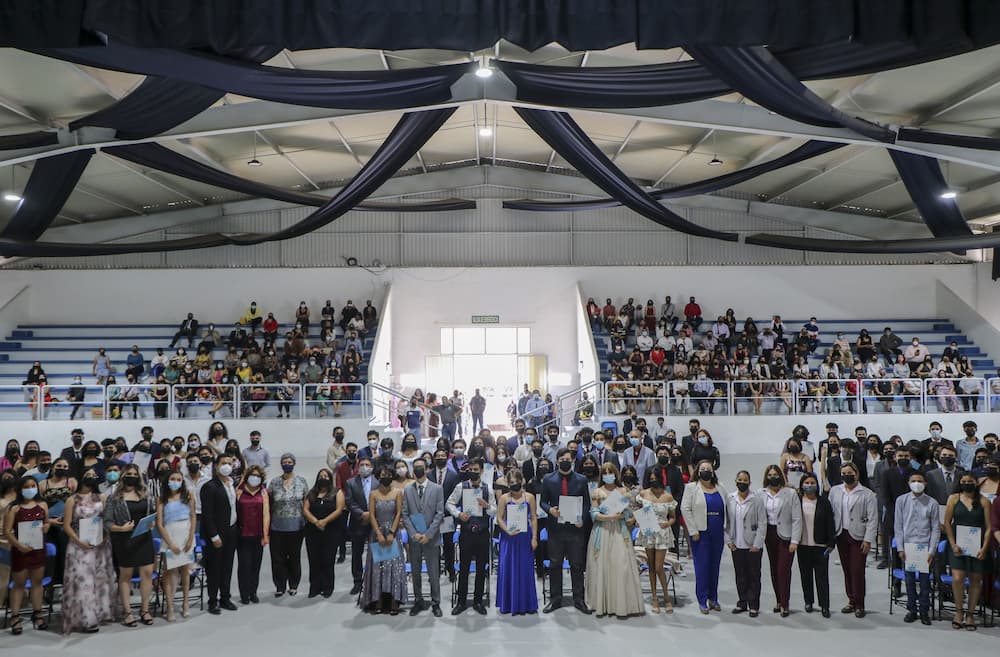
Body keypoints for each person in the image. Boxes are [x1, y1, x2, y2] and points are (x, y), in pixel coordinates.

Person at [586, 463, 644, 618]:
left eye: (610, 472)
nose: (607, 475)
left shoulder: (623, 491)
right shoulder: (597, 492)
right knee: (603, 565)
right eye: (604, 472)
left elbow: (628, 513)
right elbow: (594, 514)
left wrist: (631, 518)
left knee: (621, 564)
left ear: (616, 474)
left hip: (620, 531)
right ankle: (603, 603)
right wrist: (611, 516)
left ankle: (622, 603)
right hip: (602, 532)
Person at [540, 448, 592, 614]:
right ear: (557, 461)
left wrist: (581, 518)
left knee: (577, 564)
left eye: (568, 458)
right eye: (562, 458)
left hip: (575, 529)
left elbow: (586, 503)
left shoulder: (581, 479)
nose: (565, 460)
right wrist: (550, 510)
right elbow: (543, 502)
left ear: (573, 460)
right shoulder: (548, 479)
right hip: (556, 529)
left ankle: (579, 599)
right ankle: (555, 599)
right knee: (555, 564)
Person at [104, 463, 156, 626]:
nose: (132, 476)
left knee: (147, 573)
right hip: (124, 540)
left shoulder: (145, 494)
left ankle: (144, 609)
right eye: (129, 474)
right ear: (123, 476)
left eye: (135, 474)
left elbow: (151, 513)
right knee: (125, 576)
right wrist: (120, 528)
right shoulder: (114, 497)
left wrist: (151, 523)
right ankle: (127, 612)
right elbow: (106, 522)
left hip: (144, 538)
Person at [943, 472, 992, 631]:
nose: (967, 483)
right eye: (964, 481)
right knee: (957, 578)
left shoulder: (984, 501)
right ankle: (959, 612)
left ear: (976, 483)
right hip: (958, 545)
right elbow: (947, 523)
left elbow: (989, 527)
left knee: (975, 579)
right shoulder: (953, 499)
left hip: (977, 547)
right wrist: (952, 544)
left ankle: (970, 614)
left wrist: (984, 548)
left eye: (970, 481)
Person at [446, 459, 495, 615]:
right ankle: (461, 602)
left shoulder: (488, 489)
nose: (473, 471)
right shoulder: (461, 486)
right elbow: (449, 503)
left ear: (481, 471)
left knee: (481, 569)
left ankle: (478, 601)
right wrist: (458, 514)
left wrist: (487, 507)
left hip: (482, 533)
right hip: (466, 533)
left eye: (476, 469)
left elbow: (495, 511)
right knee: (464, 568)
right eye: (471, 469)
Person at [829, 462, 877, 617]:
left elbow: (872, 519)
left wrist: (868, 540)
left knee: (857, 570)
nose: (847, 476)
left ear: (856, 474)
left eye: (850, 473)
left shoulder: (868, 494)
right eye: (843, 473)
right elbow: (831, 513)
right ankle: (851, 600)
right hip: (841, 534)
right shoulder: (835, 491)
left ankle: (860, 604)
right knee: (847, 569)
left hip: (859, 536)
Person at [5, 476, 51, 634]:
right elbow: (7, 531)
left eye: (33, 485)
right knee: (19, 585)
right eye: (26, 486)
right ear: (20, 489)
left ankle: (37, 613)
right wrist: (19, 546)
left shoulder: (43, 504)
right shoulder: (14, 508)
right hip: (21, 551)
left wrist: (46, 527)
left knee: (37, 583)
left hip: (39, 550)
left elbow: (47, 522)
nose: (30, 489)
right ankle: (15, 616)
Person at [681, 459, 728, 614]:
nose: (706, 471)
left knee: (714, 566)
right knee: (702, 567)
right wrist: (693, 530)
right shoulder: (692, 488)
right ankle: (702, 599)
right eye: (703, 468)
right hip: (700, 533)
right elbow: (685, 509)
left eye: (709, 468)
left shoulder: (720, 487)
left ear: (713, 471)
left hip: (717, 531)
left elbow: (728, 508)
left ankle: (713, 598)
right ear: (698, 471)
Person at [894, 470, 938, 626]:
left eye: (920, 480)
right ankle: (912, 609)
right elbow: (898, 526)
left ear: (925, 483)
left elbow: (935, 529)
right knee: (910, 580)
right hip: (908, 546)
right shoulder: (901, 500)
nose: (917, 483)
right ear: (908, 483)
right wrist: (900, 548)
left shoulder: (932, 503)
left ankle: (924, 610)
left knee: (925, 582)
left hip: (925, 547)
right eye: (914, 480)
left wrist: (932, 550)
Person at [361, 465, 407, 614]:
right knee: (378, 567)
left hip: (392, 533)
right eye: (383, 474)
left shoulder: (398, 492)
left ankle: (394, 599)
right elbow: (372, 515)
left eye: (388, 474)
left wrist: (392, 532)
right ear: (378, 476)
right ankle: (377, 599)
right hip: (377, 534)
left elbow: (399, 512)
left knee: (393, 567)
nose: (385, 476)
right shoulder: (373, 494)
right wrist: (379, 533)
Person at [402, 457, 444, 617]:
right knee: (416, 571)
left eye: (421, 467)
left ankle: (436, 602)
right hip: (415, 538)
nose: (418, 469)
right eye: (416, 467)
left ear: (426, 469)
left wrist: (428, 534)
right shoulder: (407, 489)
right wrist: (414, 534)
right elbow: (405, 514)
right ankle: (418, 601)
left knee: (434, 573)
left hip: (431, 538)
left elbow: (439, 513)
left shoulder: (437, 488)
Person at [493, 469, 538, 616]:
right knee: (508, 569)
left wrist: (534, 538)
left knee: (525, 569)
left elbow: (533, 518)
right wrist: (507, 530)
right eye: (511, 482)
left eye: (517, 482)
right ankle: (508, 602)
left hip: (525, 537)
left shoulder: (530, 497)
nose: (514, 484)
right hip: (509, 537)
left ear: (522, 481)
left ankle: (526, 603)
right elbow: (499, 518)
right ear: (507, 483)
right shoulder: (504, 498)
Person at [200, 454, 239, 615]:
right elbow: (207, 515)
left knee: (227, 567)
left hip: (231, 530)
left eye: (229, 463)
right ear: (216, 466)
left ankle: (225, 597)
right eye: (223, 463)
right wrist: (214, 536)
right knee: (214, 568)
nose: (227, 466)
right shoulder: (209, 486)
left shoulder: (232, 484)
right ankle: (212, 600)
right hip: (216, 534)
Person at [760, 465, 801, 617]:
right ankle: (778, 600)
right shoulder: (761, 493)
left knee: (783, 569)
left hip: (786, 536)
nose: (773, 477)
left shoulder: (790, 493)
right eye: (770, 475)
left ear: (781, 476)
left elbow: (797, 519)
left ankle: (785, 603)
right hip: (769, 534)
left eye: (775, 474)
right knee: (773, 568)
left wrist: (795, 540)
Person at [156, 468, 196, 621]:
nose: (176, 482)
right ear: (167, 481)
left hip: (186, 534)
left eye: (179, 479)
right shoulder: (162, 499)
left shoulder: (188, 496)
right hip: (169, 535)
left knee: (185, 571)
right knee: (169, 572)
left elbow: (193, 517)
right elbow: (159, 524)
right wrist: (170, 543)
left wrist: (191, 538)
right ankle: (170, 606)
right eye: (173, 479)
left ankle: (186, 603)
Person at [725, 470, 766, 617]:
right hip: (736, 544)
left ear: (749, 482)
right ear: (736, 481)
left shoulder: (757, 499)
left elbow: (762, 522)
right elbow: (727, 522)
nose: (742, 482)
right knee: (740, 575)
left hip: (752, 545)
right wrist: (728, 541)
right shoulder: (730, 498)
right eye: (739, 480)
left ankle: (753, 605)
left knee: (754, 575)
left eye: (745, 480)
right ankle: (742, 602)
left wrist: (757, 543)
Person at [637, 468, 677, 613]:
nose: (653, 481)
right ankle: (654, 597)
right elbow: (639, 510)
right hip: (648, 531)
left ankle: (666, 597)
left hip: (662, 532)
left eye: (656, 478)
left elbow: (673, 517)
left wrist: (668, 523)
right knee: (651, 566)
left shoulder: (668, 496)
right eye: (651, 478)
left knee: (659, 566)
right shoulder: (643, 494)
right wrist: (640, 520)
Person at [268, 453, 308, 597]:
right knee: (278, 558)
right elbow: (269, 503)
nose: (287, 463)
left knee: (294, 557)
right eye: (284, 461)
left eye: (289, 461)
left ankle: (293, 584)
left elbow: (306, 503)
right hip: (277, 527)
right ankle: (280, 585)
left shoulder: (301, 482)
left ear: (294, 463)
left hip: (296, 527)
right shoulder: (274, 483)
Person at [795, 473, 835, 617]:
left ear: (817, 485)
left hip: (820, 546)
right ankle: (808, 601)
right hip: (802, 545)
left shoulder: (824, 501)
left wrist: (831, 543)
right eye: (807, 482)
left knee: (822, 577)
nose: (809, 485)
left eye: (812, 482)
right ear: (802, 485)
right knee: (805, 575)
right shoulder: (797, 500)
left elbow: (830, 522)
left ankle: (824, 605)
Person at [302, 468, 344, 598]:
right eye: (321, 476)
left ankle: (327, 587)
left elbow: (339, 509)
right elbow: (305, 509)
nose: (323, 478)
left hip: (330, 531)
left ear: (330, 479)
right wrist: (315, 521)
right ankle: (314, 587)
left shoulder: (337, 492)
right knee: (314, 559)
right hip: (313, 531)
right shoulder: (312, 493)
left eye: (326, 476)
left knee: (328, 559)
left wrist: (324, 521)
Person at [236, 464, 269, 605]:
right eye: (252, 475)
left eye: (257, 476)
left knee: (256, 565)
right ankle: (244, 593)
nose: (254, 478)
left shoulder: (264, 493)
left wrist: (265, 535)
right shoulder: (239, 492)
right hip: (242, 535)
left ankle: (253, 592)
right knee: (244, 565)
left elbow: (266, 514)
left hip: (258, 535)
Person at [428, 449, 460, 583]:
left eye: (443, 456)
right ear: (434, 458)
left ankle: (451, 570)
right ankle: (434, 571)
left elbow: (455, 497)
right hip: (432, 515)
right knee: (434, 544)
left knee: (448, 543)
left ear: (447, 458)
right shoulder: (429, 475)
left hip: (447, 515)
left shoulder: (453, 476)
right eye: (438, 456)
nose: (440, 458)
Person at [345, 457, 375, 595]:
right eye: (362, 465)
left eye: (367, 465)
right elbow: (349, 502)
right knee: (357, 553)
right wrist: (362, 514)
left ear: (372, 467)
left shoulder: (379, 481)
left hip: (375, 522)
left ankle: (375, 580)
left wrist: (372, 514)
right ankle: (357, 581)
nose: (364, 467)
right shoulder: (351, 482)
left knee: (376, 552)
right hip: (358, 522)